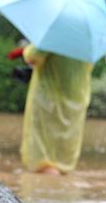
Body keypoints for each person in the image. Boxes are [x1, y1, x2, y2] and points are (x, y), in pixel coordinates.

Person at [20, 44, 93, 175]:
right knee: (64, 149)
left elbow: (32, 56)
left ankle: (47, 184)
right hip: (76, 100)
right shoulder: (88, 43)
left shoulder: (52, 38)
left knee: (44, 154)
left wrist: (27, 48)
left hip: (48, 99)